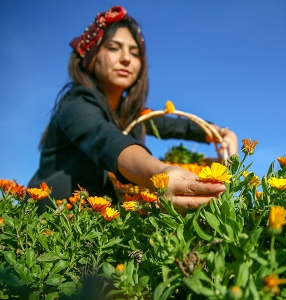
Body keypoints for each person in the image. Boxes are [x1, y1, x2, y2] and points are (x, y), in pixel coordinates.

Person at [27, 5, 238, 214]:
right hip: (53, 221)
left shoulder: (134, 115)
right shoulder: (76, 102)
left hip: (100, 226)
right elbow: (107, 140)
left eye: (135, 53)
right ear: (91, 55)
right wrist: (161, 174)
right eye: (113, 48)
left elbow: (180, 126)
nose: (126, 58)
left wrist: (222, 132)